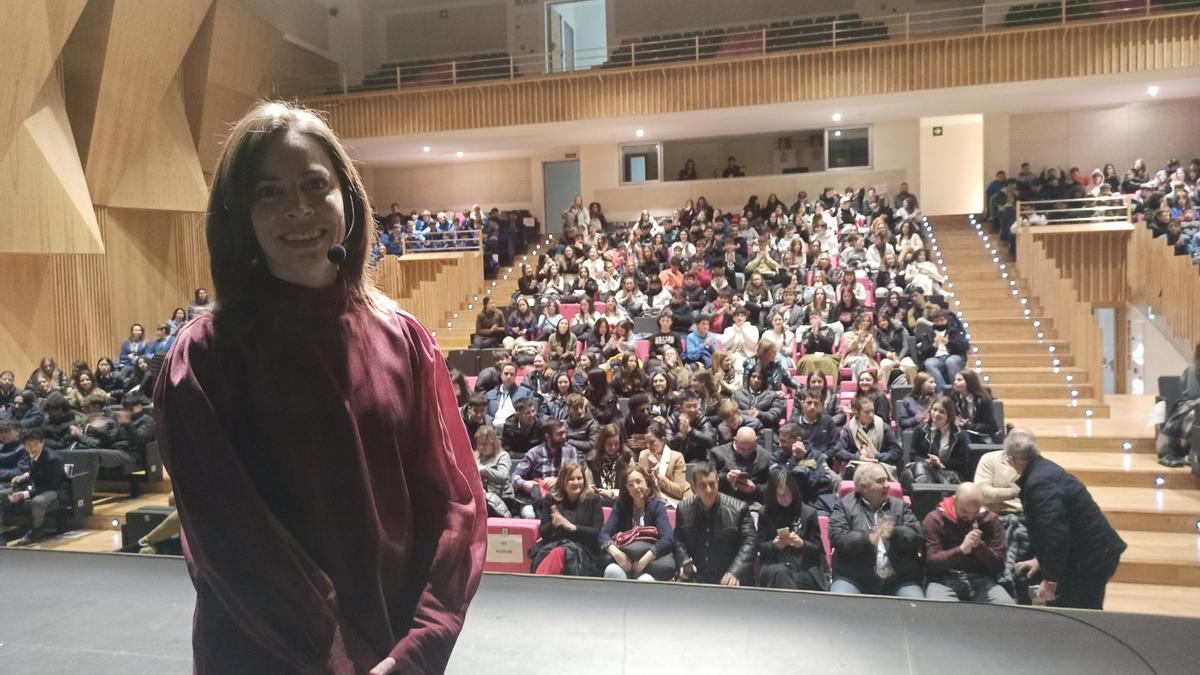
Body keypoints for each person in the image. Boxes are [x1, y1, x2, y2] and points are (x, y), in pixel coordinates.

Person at [154, 102, 484, 675]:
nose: (299, 209)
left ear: (347, 200)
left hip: (392, 654)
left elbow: (454, 504)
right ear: (240, 214)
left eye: (314, 185)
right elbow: (231, 541)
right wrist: (339, 662)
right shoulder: (205, 360)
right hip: (265, 655)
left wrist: (421, 645)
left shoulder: (404, 341)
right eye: (269, 193)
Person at [1006, 431, 1127, 609]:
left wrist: (1050, 580)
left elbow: (1056, 534)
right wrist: (1041, 560)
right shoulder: (1044, 469)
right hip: (1090, 552)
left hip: (1092, 557)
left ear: (1011, 459)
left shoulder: (1040, 484)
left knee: (1081, 612)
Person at [827, 462, 924, 598]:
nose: (887, 485)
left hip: (899, 579)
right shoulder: (844, 506)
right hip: (854, 578)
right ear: (864, 487)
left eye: (886, 480)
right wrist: (867, 539)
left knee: (917, 606)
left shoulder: (901, 506)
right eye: (880, 481)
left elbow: (917, 537)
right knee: (839, 602)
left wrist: (895, 533)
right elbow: (836, 536)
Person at [922, 483, 1014, 604]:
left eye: (975, 512)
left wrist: (980, 547)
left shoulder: (990, 520)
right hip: (944, 580)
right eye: (964, 512)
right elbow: (931, 563)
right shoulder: (935, 520)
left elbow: (999, 565)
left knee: (1007, 608)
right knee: (938, 612)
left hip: (983, 580)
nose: (970, 517)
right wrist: (961, 550)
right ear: (954, 500)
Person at [674, 463, 758, 587]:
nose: (708, 490)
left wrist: (735, 571)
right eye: (703, 485)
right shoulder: (683, 509)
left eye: (712, 484)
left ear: (718, 482)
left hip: (729, 577)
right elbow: (678, 540)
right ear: (694, 486)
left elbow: (751, 543)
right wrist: (685, 562)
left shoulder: (739, 508)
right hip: (696, 577)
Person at [599, 466, 676, 581]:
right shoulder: (621, 506)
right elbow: (603, 534)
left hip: (650, 563)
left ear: (646, 482)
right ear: (626, 489)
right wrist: (616, 553)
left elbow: (668, 538)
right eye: (630, 485)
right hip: (625, 560)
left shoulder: (657, 506)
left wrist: (645, 560)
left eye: (638, 482)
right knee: (611, 570)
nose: (636, 487)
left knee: (645, 580)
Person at [756, 470, 827, 590]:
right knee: (781, 573)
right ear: (773, 495)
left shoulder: (808, 513)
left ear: (793, 492)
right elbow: (759, 546)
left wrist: (802, 544)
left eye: (787, 494)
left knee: (784, 578)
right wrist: (774, 545)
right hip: (774, 566)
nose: (784, 499)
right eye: (780, 495)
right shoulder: (765, 513)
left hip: (803, 568)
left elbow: (818, 549)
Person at [531, 462, 605, 576]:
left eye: (579, 478)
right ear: (563, 482)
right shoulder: (551, 499)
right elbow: (543, 532)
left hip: (584, 549)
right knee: (556, 552)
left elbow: (597, 532)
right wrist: (554, 524)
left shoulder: (593, 499)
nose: (576, 482)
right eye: (571, 479)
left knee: (561, 552)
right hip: (553, 545)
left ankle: (539, 585)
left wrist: (572, 527)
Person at [0, 427, 65, 546]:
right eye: (28, 444)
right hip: (37, 486)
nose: (32, 447)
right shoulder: (32, 454)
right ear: (24, 445)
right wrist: (24, 476)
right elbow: (37, 472)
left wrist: (24, 494)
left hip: (55, 490)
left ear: (42, 442)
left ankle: (37, 529)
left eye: (35, 443)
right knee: (2, 494)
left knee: (38, 501)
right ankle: (2, 531)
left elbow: (51, 485)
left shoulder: (53, 459)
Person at [510, 419, 581, 519]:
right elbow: (514, 476)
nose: (564, 437)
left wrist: (558, 480)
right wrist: (526, 484)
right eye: (559, 434)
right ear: (548, 437)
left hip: (562, 498)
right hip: (536, 500)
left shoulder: (570, 451)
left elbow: (576, 475)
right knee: (529, 515)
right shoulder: (534, 453)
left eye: (565, 433)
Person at [1156, 343, 1200, 467]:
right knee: (1192, 417)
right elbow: (1192, 395)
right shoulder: (1191, 370)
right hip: (1191, 403)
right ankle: (1193, 453)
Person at [910, 395, 970, 483]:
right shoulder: (920, 430)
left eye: (942, 412)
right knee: (921, 470)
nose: (936, 414)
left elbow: (962, 461)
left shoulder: (960, 435)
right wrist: (928, 461)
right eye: (934, 410)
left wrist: (940, 462)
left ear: (949, 415)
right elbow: (913, 455)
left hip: (949, 473)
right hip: (924, 470)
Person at [710, 427, 771, 506]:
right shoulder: (717, 453)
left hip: (754, 503)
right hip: (724, 503)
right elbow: (709, 480)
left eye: (750, 449)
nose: (746, 452)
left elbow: (772, 487)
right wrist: (726, 478)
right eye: (742, 449)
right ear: (735, 440)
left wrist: (755, 489)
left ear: (756, 442)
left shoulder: (765, 456)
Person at [916, 308, 968, 392]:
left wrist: (949, 343)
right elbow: (923, 352)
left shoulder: (954, 331)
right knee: (929, 363)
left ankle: (956, 390)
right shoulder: (928, 333)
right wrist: (934, 346)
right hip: (936, 358)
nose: (939, 323)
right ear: (933, 321)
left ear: (946, 320)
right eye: (937, 321)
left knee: (951, 361)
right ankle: (943, 391)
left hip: (953, 356)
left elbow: (964, 347)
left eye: (942, 320)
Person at [474, 425, 513, 517]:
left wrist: (484, 470)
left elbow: (503, 476)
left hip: (502, 498)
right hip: (483, 496)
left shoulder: (503, 456)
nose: (481, 447)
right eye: (479, 443)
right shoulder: (476, 456)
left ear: (493, 443)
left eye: (485, 444)